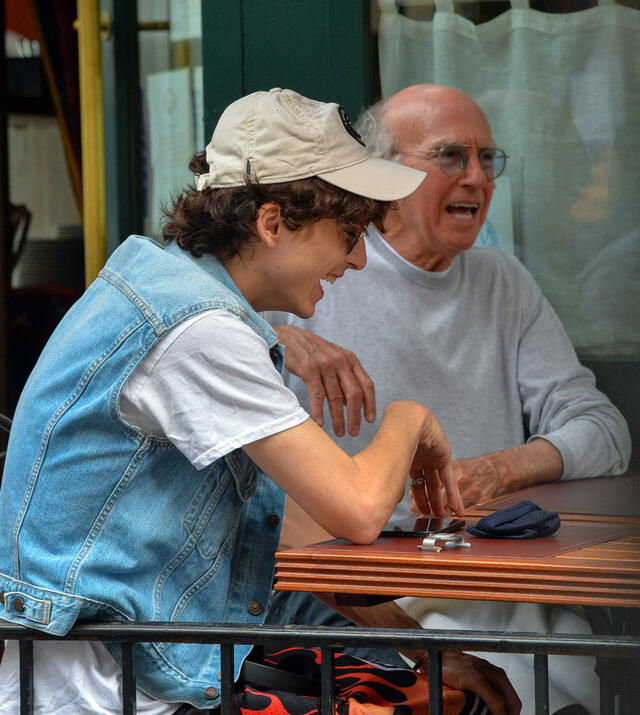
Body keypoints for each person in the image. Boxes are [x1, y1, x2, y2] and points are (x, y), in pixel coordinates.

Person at [0, 88, 521, 715]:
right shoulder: (200, 330)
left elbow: (291, 533)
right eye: (350, 233)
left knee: (429, 695)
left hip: (147, 660)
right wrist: (410, 418)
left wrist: (427, 651)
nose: (358, 259)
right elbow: (356, 511)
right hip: (102, 689)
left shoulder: (174, 291)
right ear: (271, 224)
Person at [264, 85, 632, 715]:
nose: (478, 178)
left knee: (583, 664)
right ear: (386, 176)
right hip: (365, 594)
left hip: (499, 578)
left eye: (488, 159)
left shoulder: (502, 281)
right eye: (451, 157)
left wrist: (504, 466)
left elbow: (603, 429)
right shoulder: (315, 277)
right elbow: (184, 336)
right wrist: (270, 334)